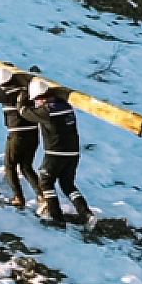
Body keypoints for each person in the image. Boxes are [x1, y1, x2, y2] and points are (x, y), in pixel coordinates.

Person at [18, 79, 92, 227]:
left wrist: (22, 98)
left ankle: (56, 217)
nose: (36, 103)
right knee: (67, 185)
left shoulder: (46, 111)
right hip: (73, 153)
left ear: (41, 98)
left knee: (46, 182)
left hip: (55, 153)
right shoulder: (66, 106)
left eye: (36, 100)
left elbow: (24, 112)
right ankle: (86, 214)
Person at [0, 65, 41, 208]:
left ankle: (18, 197)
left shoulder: (6, 93)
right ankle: (43, 195)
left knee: (10, 166)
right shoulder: (25, 90)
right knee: (26, 166)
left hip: (17, 134)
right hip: (33, 132)